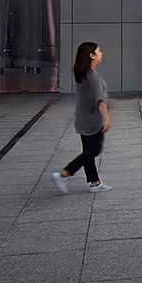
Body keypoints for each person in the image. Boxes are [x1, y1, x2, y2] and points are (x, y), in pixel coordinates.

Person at [51, 41, 111, 194]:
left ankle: (95, 182)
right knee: (93, 151)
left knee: (88, 151)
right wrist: (106, 118)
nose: (101, 53)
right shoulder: (94, 78)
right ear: (92, 55)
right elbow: (100, 101)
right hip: (92, 122)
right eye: (99, 51)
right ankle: (64, 174)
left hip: (82, 120)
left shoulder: (82, 74)